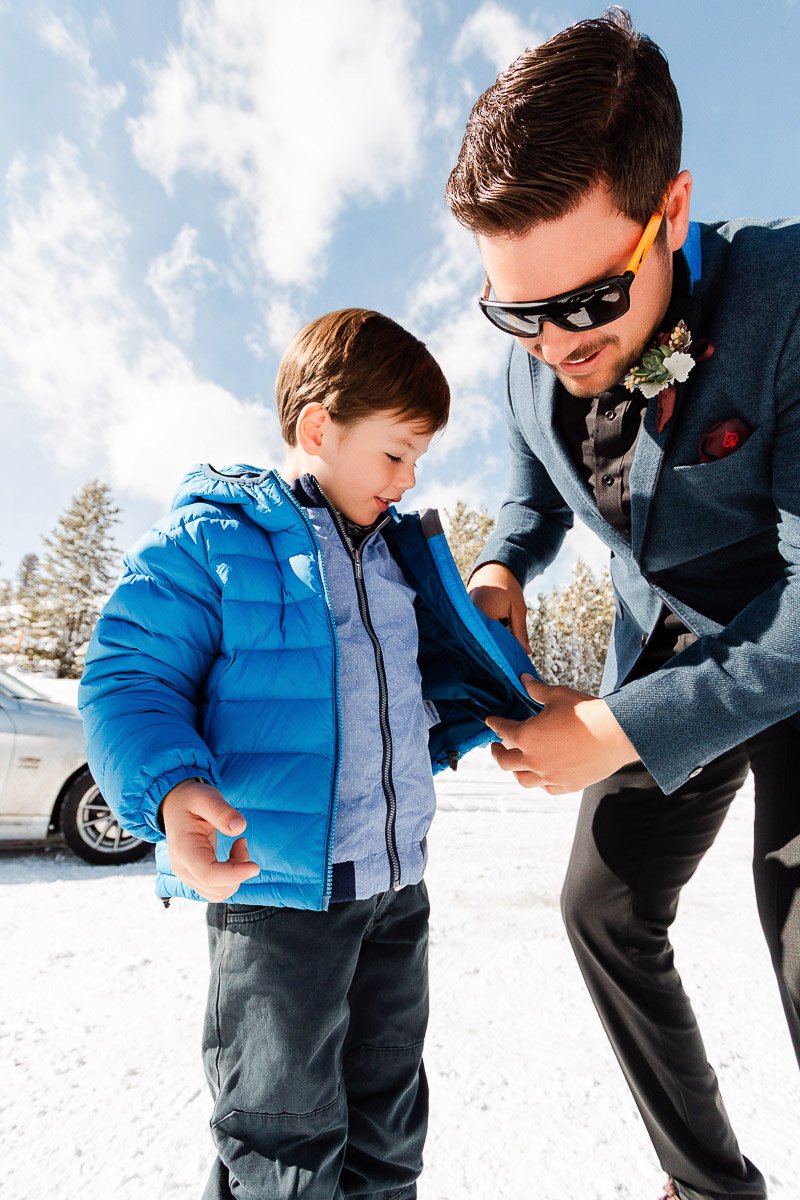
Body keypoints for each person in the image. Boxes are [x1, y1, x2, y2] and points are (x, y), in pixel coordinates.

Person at [445, 9, 800, 1200]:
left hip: (787, 656)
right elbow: (528, 496)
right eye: (516, 313)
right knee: (601, 913)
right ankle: (707, 1186)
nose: (553, 344)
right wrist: (499, 571)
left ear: (674, 210)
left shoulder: (790, 297)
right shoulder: (526, 357)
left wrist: (602, 730)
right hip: (659, 654)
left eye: (587, 305)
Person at [78, 307, 536, 1200]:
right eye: (395, 453)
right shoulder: (214, 545)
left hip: (395, 893)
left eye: (419, 461)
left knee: (389, 1120)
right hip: (277, 896)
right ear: (319, 427)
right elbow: (127, 677)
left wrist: (498, 706)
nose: (407, 480)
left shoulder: (400, 566)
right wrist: (170, 790)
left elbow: (416, 707)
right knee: (282, 1141)